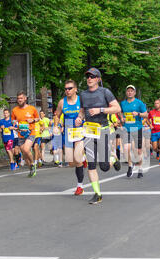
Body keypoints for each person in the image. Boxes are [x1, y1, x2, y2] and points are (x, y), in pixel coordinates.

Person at [75, 67, 121, 204]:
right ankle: (97, 194)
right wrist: (79, 118)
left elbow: (117, 108)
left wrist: (101, 109)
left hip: (103, 130)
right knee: (91, 164)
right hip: (89, 131)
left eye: (92, 76)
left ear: (98, 79)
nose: (89, 78)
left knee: (105, 167)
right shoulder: (83, 95)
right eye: (88, 76)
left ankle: (113, 159)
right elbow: (82, 111)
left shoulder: (105, 92)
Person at [55, 79, 86, 195]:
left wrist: (81, 118)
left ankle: (80, 186)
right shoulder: (62, 102)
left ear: (75, 89)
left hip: (79, 131)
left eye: (70, 88)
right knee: (70, 161)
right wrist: (57, 125)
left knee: (77, 159)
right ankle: (83, 159)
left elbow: (87, 113)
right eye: (66, 89)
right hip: (67, 132)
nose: (67, 91)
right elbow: (57, 115)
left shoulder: (81, 100)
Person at [120, 85, 148, 178]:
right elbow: (120, 113)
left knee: (138, 151)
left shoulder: (139, 103)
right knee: (126, 148)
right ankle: (130, 166)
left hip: (137, 128)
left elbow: (146, 115)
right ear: (126, 92)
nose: (130, 92)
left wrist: (138, 114)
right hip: (126, 129)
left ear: (134, 93)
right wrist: (122, 118)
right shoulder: (123, 103)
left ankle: (140, 168)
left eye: (131, 91)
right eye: (128, 91)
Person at [11, 91, 40, 177]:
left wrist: (33, 120)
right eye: (18, 98)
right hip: (21, 134)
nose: (19, 100)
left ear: (25, 99)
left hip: (31, 132)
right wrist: (14, 124)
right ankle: (31, 167)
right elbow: (13, 120)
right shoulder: (14, 110)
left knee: (27, 149)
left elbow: (38, 118)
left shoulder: (32, 108)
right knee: (24, 153)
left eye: (21, 98)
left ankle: (32, 163)